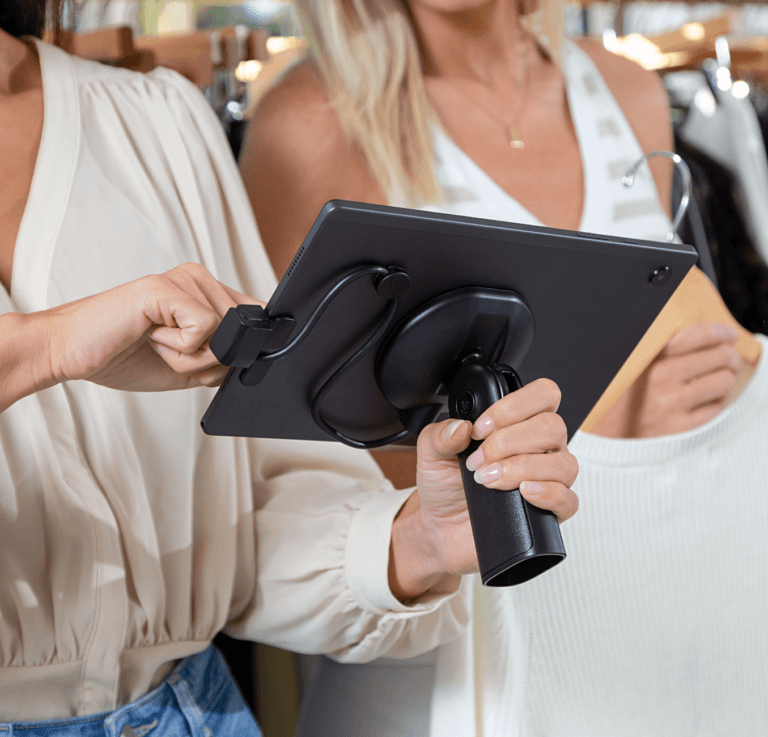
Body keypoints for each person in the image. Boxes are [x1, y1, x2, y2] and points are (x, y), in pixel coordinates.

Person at [0, 2, 579, 734]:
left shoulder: (154, 121)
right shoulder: (301, 118)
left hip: (194, 713)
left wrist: (414, 542)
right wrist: (43, 346)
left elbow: (252, 500)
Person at [240, 0, 768, 734]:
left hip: (639, 629)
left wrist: (720, 365)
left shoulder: (627, 90)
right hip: (439, 672)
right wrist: (609, 423)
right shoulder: (309, 123)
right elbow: (308, 464)